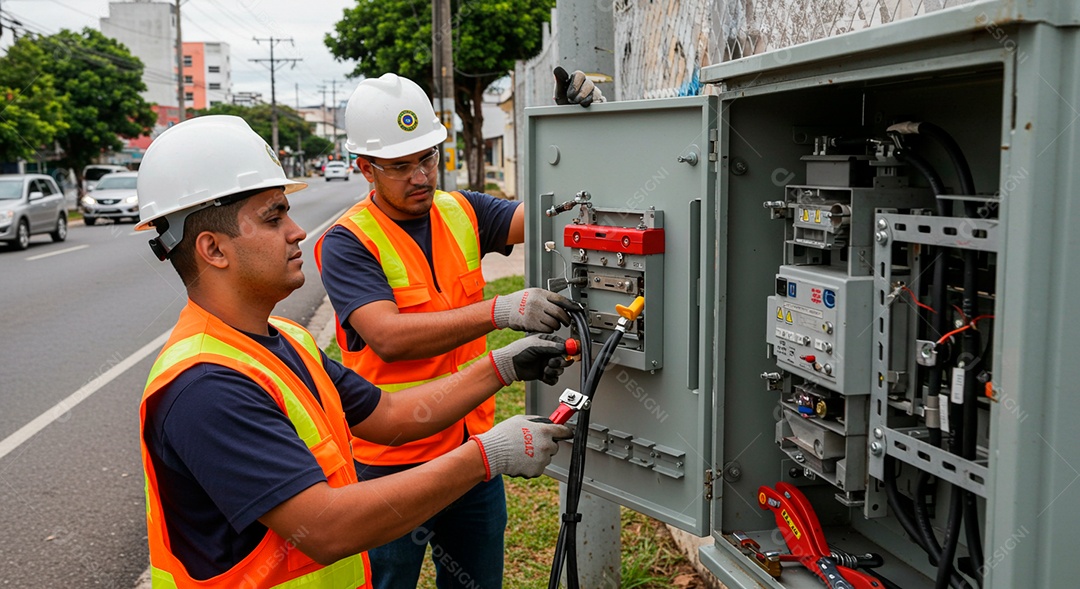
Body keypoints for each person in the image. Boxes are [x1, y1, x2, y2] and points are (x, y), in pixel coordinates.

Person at [136, 115, 574, 588]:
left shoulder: (286, 340)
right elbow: (326, 527)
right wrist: (487, 456)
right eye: (274, 217)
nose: (297, 231)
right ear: (213, 249)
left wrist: (502, 366)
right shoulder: (207, 386)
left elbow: (388, 415)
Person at [315, 72, 597, 589]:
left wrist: (577, 130)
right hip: (391, 465)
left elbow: (550, 216)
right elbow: (389, 336)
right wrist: (500, 311)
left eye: (427, 157)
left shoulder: (462, 209)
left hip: (473, 451)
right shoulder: (346, 241)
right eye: (400, 166)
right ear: (365, 169)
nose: (421, 176)